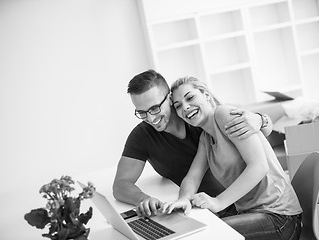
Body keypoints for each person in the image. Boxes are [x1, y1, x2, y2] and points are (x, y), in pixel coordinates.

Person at [112, 69, 273, 217]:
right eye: (142, 112)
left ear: (169, 98)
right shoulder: (143, 135)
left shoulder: (197, 116)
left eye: (155, 108)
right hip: (200, 207)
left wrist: (261, 119)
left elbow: (257, 134)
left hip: (239, 203)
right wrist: (144, 199)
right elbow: (120, 184)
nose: (151, 118)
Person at [162, 76, 302, 240]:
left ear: (206, 94)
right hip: (252, 213)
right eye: (178, 106)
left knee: (208, 234)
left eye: (190, 97)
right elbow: (193, 176)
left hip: (279, 217)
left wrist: (218, 202)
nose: (185, 107)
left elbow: (259, 166)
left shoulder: (224, 114)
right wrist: (184, 199)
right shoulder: (205, 138)